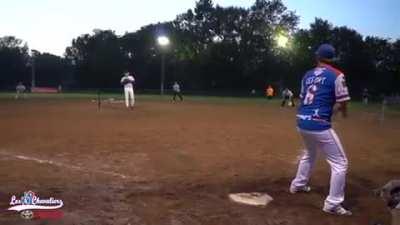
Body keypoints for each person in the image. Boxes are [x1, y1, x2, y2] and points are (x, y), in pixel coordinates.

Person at [290, 44, 352, 216]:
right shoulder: (337, 75)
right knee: (340, 163)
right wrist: (341, 112)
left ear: (317, 57)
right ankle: (332, 204)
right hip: (319, 124)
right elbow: (343, 101)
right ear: (332, 58)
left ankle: (298, 185)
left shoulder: (307, 75)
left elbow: (303, 99)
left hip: (302, 122)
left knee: (309, 154)